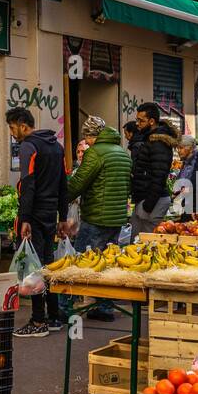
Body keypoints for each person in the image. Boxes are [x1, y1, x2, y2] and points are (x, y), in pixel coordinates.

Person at [6, 107, 68, 336]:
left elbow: (28, 185)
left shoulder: (28, 146)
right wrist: (63, 216)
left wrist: (25, 219)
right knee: (48, 265)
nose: (12, 133)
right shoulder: (56, 147)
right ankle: (54, 317)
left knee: (35, 267)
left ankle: (38, 321)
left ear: (23, 125)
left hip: (35, 214)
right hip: (51, 213)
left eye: (12, 128)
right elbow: (64, 184)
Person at [65, 116, 132, 322]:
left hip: (96, 216)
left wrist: (61, 197)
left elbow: (79, 182)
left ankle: (64, 307)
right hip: (116, 217)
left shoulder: (95, 153)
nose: (87, 141)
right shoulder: (122, 153)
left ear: (92, 135)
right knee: (106, 263)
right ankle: (104, 306)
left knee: (80, 261)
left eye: (87, 136)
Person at [129, 103, 178, 233]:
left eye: (141, 120)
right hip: (146, 199)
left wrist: (147, 206)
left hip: (152, 201)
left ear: (151, 121)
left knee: (145, 244)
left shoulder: (158, 143)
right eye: (137, 120)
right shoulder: (150, 140)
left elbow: (159, 176)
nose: (137, 124)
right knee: (136, 243)